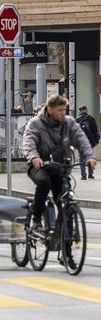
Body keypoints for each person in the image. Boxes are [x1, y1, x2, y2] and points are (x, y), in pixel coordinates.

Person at [23, 95, 96, 229]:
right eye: (60, 110)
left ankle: (65, 236)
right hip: (40, 166)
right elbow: (29, 142)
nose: (63, 113)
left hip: (60, 168)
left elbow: (81, 138)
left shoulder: (69, 122)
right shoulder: (35, 123)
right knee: (44, 182)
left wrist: (90, 156)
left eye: (64, 109)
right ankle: (36, 217)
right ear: (50, 110)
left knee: (65, 200)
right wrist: (34, 157)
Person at [75, 105, 100, 180]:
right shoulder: (91, 118)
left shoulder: (77, 119)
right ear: (86, 110)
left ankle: (83, 175)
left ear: (80, 111)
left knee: (82, 158)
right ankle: (90, 174)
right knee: (90, 157)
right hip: (90, 142)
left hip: (80, 142)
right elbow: (95, 131)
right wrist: (96, 141)